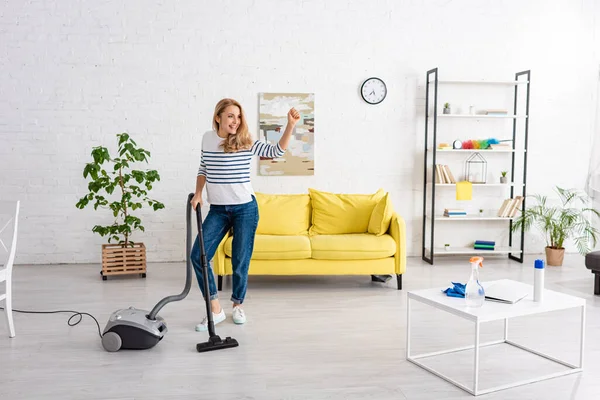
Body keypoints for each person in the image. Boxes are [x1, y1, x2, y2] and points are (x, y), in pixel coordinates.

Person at [190, 98, 300, 331]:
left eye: (238, 117)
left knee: (240, 260)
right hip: (218, 209)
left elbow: (276, 151)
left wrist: (289, 126)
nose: (235, 121)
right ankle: (215, 309)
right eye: (230, 116)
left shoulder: (246, 141)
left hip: (245, 209)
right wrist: (199, 193)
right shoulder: (207, 139)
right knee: (198, 256)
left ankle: (237, 305)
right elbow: (203, 168)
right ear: (218, 117)